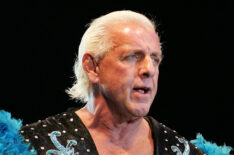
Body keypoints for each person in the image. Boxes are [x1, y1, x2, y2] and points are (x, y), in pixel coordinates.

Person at [20, 10, 206, 155]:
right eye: (133, 56)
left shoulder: (184, 151)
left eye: (155, 59)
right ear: (92, 67)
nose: (149, 69)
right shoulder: (29, 146)